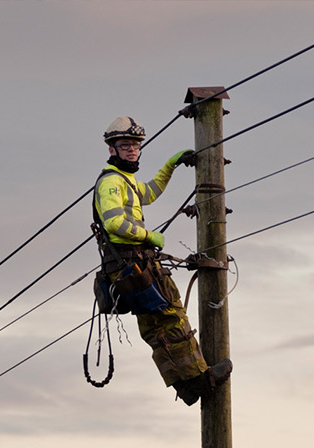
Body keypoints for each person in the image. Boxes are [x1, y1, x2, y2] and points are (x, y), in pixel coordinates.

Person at [92, 116, 232, 405]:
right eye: (125, 145)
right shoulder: (110, 184)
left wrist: (172, 164)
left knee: (155, 328)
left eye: (135, 145)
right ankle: (200, 379)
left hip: (127, 268)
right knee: (171, 317)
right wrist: (149, 237)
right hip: (135, 265)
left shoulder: (126, 181)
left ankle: (185, 387)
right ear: (112, 149)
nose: (132, 150)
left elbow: (151, 192)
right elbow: (115, 224)